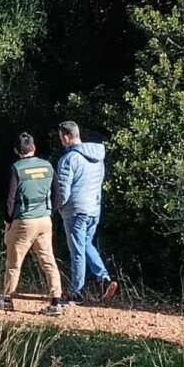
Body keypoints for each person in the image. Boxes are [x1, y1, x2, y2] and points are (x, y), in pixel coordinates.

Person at [0, 133, 65, 317]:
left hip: (23, 221)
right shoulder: (47, 166)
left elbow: (10, 199)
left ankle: (7, 299)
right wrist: (49, 212)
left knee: (14, 263)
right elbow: (58, 196)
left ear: (16, 150)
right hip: (44, 220)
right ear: (34, 148)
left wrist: (9, 220)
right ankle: (56, 302)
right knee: (48, 261)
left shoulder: (16, 168)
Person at [54, 121, 118, 305]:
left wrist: (57, 207)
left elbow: (63, 192)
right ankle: (104, 279)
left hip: (76, 211)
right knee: (86, 244)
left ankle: (76, 292)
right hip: (93, 209)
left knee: (77, 251)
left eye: (61, 137)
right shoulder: (98, 157)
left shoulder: (68, 160)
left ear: (66, 137)